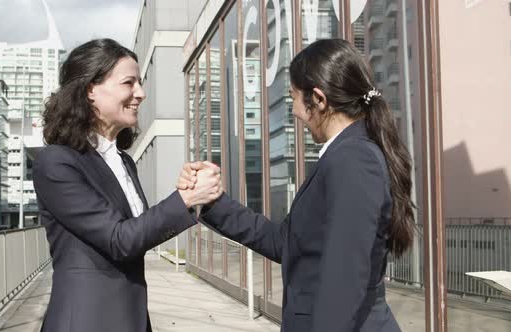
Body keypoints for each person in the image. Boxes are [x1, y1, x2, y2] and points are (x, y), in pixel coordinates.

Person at [178, 39, 415, 331]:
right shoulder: (347, 155)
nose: (294, 112)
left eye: (293, 99)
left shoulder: (353, 159)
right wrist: (210, 200)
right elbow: (284, 242)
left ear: (318, 99)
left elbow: (344, 279)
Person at [33, 38, 222, 332]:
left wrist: (189, 195)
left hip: (132, 319)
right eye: (129, 83)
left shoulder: (124, 162)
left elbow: (139, 235)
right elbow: (118, 240)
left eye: (140, 83)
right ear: (90, 90)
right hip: (86, 322)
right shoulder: (56, 163)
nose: (141, 94)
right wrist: (183, 200)